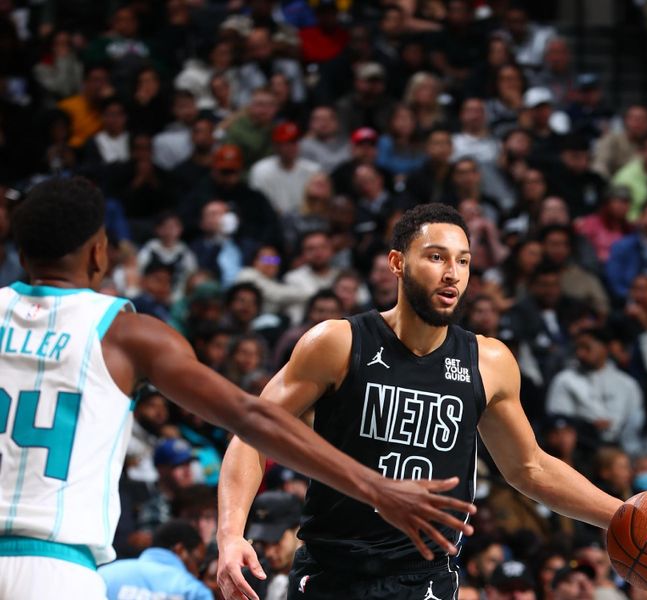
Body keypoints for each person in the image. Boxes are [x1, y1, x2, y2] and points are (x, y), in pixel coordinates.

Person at [0, 178, 476, 599]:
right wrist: (377, 487)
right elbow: (249, 419)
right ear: (99, 253)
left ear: (20, 253)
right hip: (56, 566)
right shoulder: (126, 334)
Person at [216, 203, 626, 600]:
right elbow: (252, 435)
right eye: (436, 257)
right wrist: (231, 535)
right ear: (397, 262)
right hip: (333, 571)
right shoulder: (338, 343)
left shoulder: (490, 361)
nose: (452, 275)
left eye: (463, 262)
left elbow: (530, 468)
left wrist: (622, 517)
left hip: (425, 580)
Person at [100, 519, 212, 600]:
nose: (197, 574)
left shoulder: (105, 575)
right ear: (180, 550)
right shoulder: (192, 590)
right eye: (198, 563)